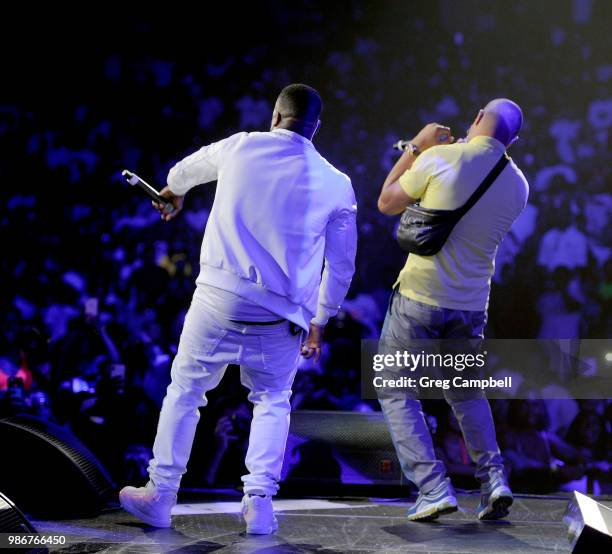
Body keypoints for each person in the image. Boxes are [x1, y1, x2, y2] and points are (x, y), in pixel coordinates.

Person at [119, 84, 357, 533]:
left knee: (186, 393)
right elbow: (342, 267)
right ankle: (260, 504)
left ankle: (160, 493)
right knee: (272, 400)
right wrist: (320, 320)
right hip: (281, 317)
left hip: (218, 300)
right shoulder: (337, 183)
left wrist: (173, 190)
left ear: (275, 115)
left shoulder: (241, 146)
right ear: (315, 128)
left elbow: (184, 170)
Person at [376, 99, 528, 521]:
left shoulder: (441, 157)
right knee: (465, 392)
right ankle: (494, 478)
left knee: (394, 386)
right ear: (511, 141)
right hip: (470, 307)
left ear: (477, 118)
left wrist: (417, 147)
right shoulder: (519, 185)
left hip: (419, 300)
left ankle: (432, 487)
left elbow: (387, 202)